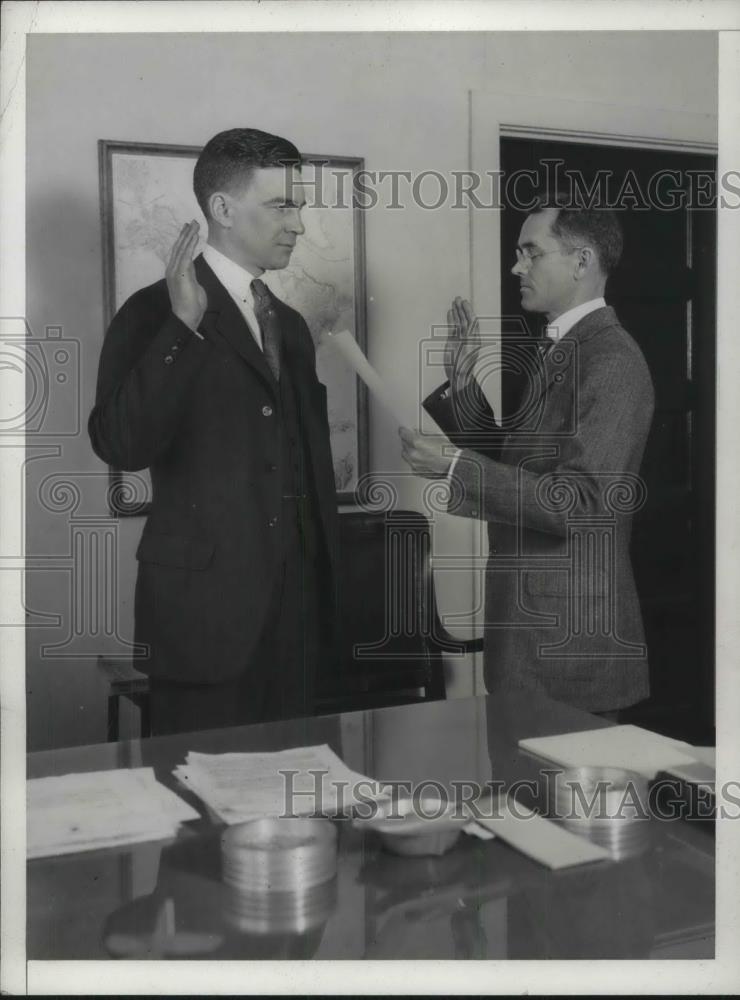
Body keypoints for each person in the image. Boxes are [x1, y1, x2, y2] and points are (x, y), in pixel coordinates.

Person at [89, 128, 339, 735]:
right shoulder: (153, 313)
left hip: (298, 627)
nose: (299, 224)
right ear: (223, 209)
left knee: (296, 806)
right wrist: (182, 329)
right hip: (202, 628)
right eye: (283, 204)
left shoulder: (293, 328)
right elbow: (120, 444)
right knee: (200, 809)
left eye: (299, 205)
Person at [400, 193, 655, 714]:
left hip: (569, 655)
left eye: (531, 252)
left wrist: (452, 466)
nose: (517, 266)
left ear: (582, 261)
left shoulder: (612, 360)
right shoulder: (562, 347)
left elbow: (577, 503)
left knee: (556, 796)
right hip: (531, 645)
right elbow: (522, 471)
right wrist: (465, 385)